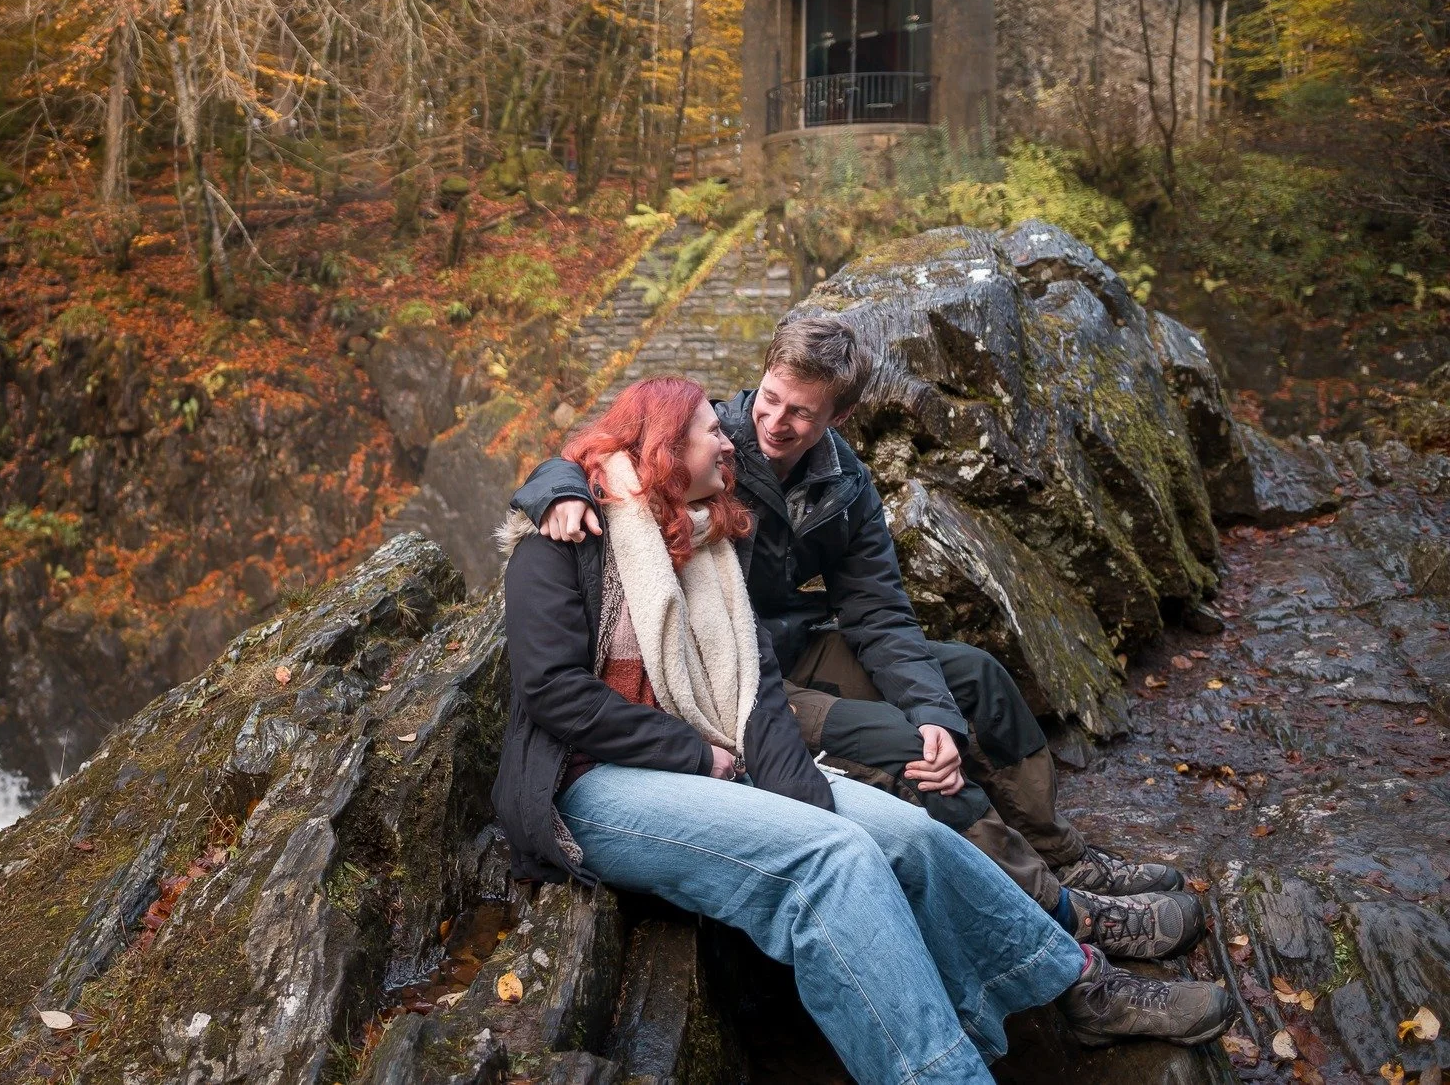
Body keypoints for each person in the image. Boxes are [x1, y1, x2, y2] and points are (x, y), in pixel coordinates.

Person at [492, 376, 1231, 1085]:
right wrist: (698, 754)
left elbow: (760, 705)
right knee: (835, 860)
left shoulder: (710, 551)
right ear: (664, 449)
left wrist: (814, 803)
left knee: (905, 835)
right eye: (712, 432)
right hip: (586, 786)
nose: (732, 440)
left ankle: (1073, 981)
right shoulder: (564, 539)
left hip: (710, 763)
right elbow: (554, 693)